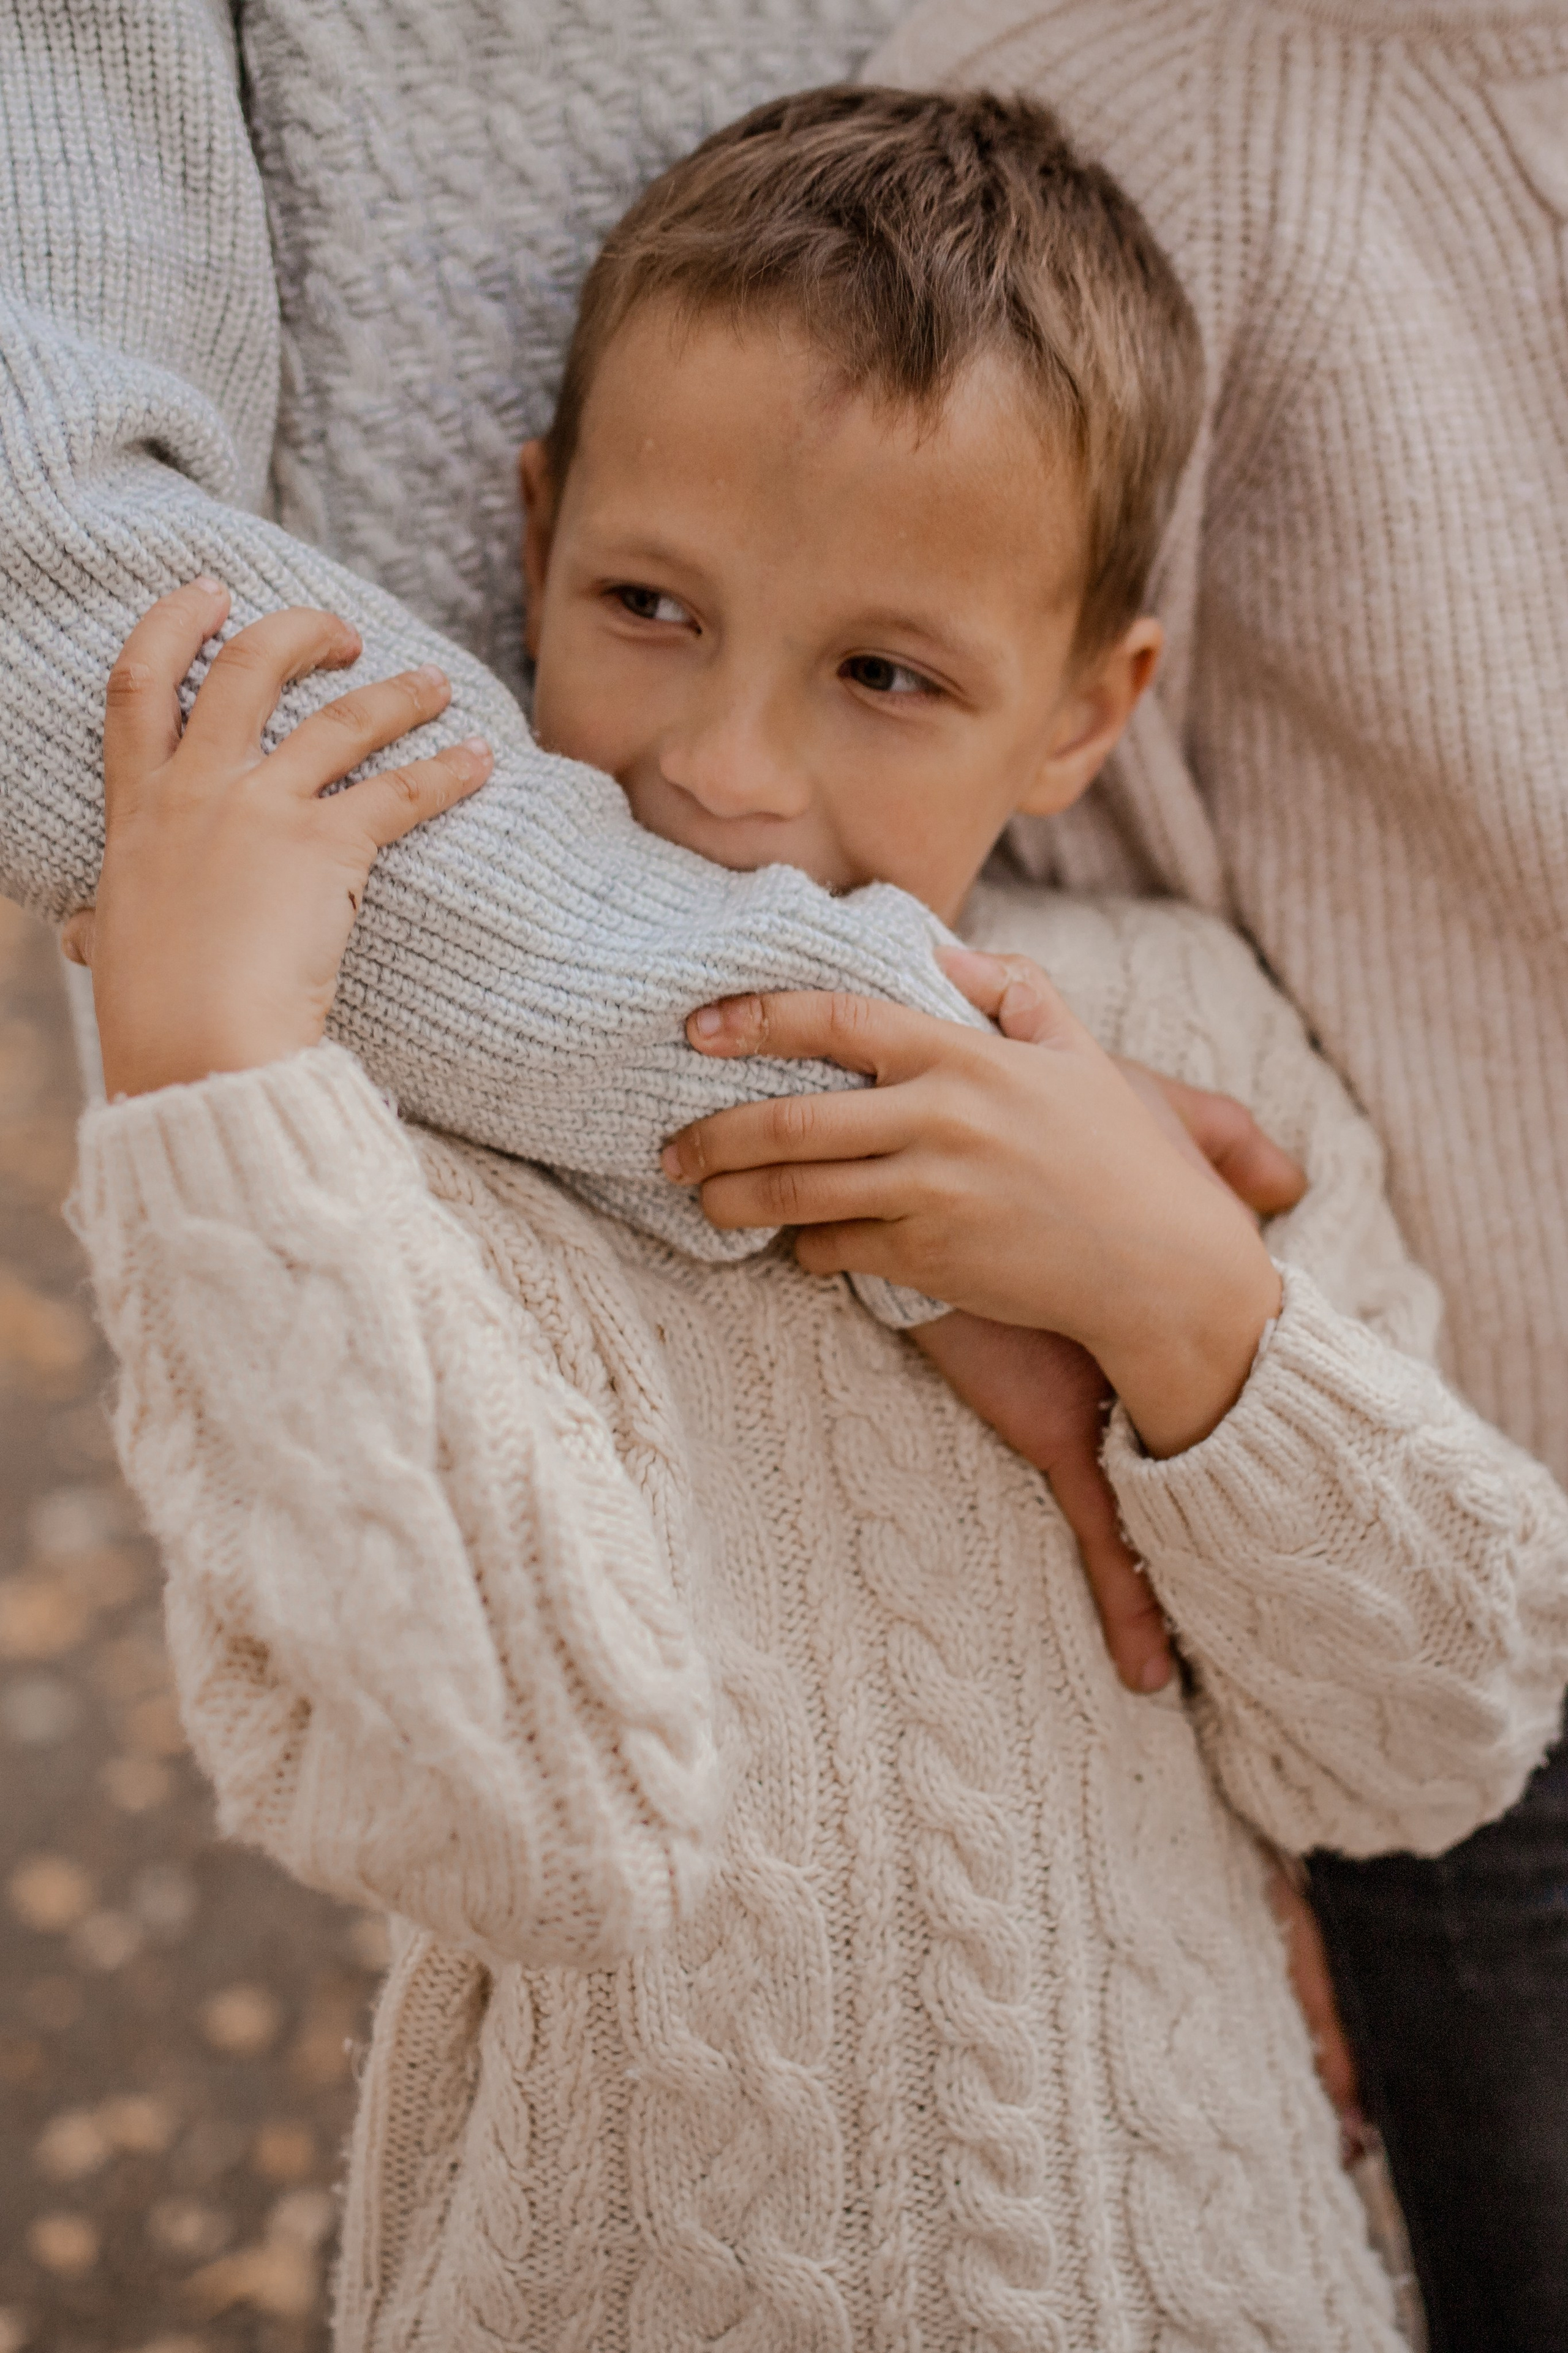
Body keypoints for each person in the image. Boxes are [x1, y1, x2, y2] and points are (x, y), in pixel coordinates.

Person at [67, 90, 1568, 2347]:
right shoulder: (423, 1118)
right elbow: (521, 1818)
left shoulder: (1180, 1059)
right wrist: (220, 1094)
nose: (733, 773)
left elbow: (1431, 1730)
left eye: (888, 672)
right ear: (536, 532)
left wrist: (1185, 1302)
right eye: (651, 607)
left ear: (1088, 709)